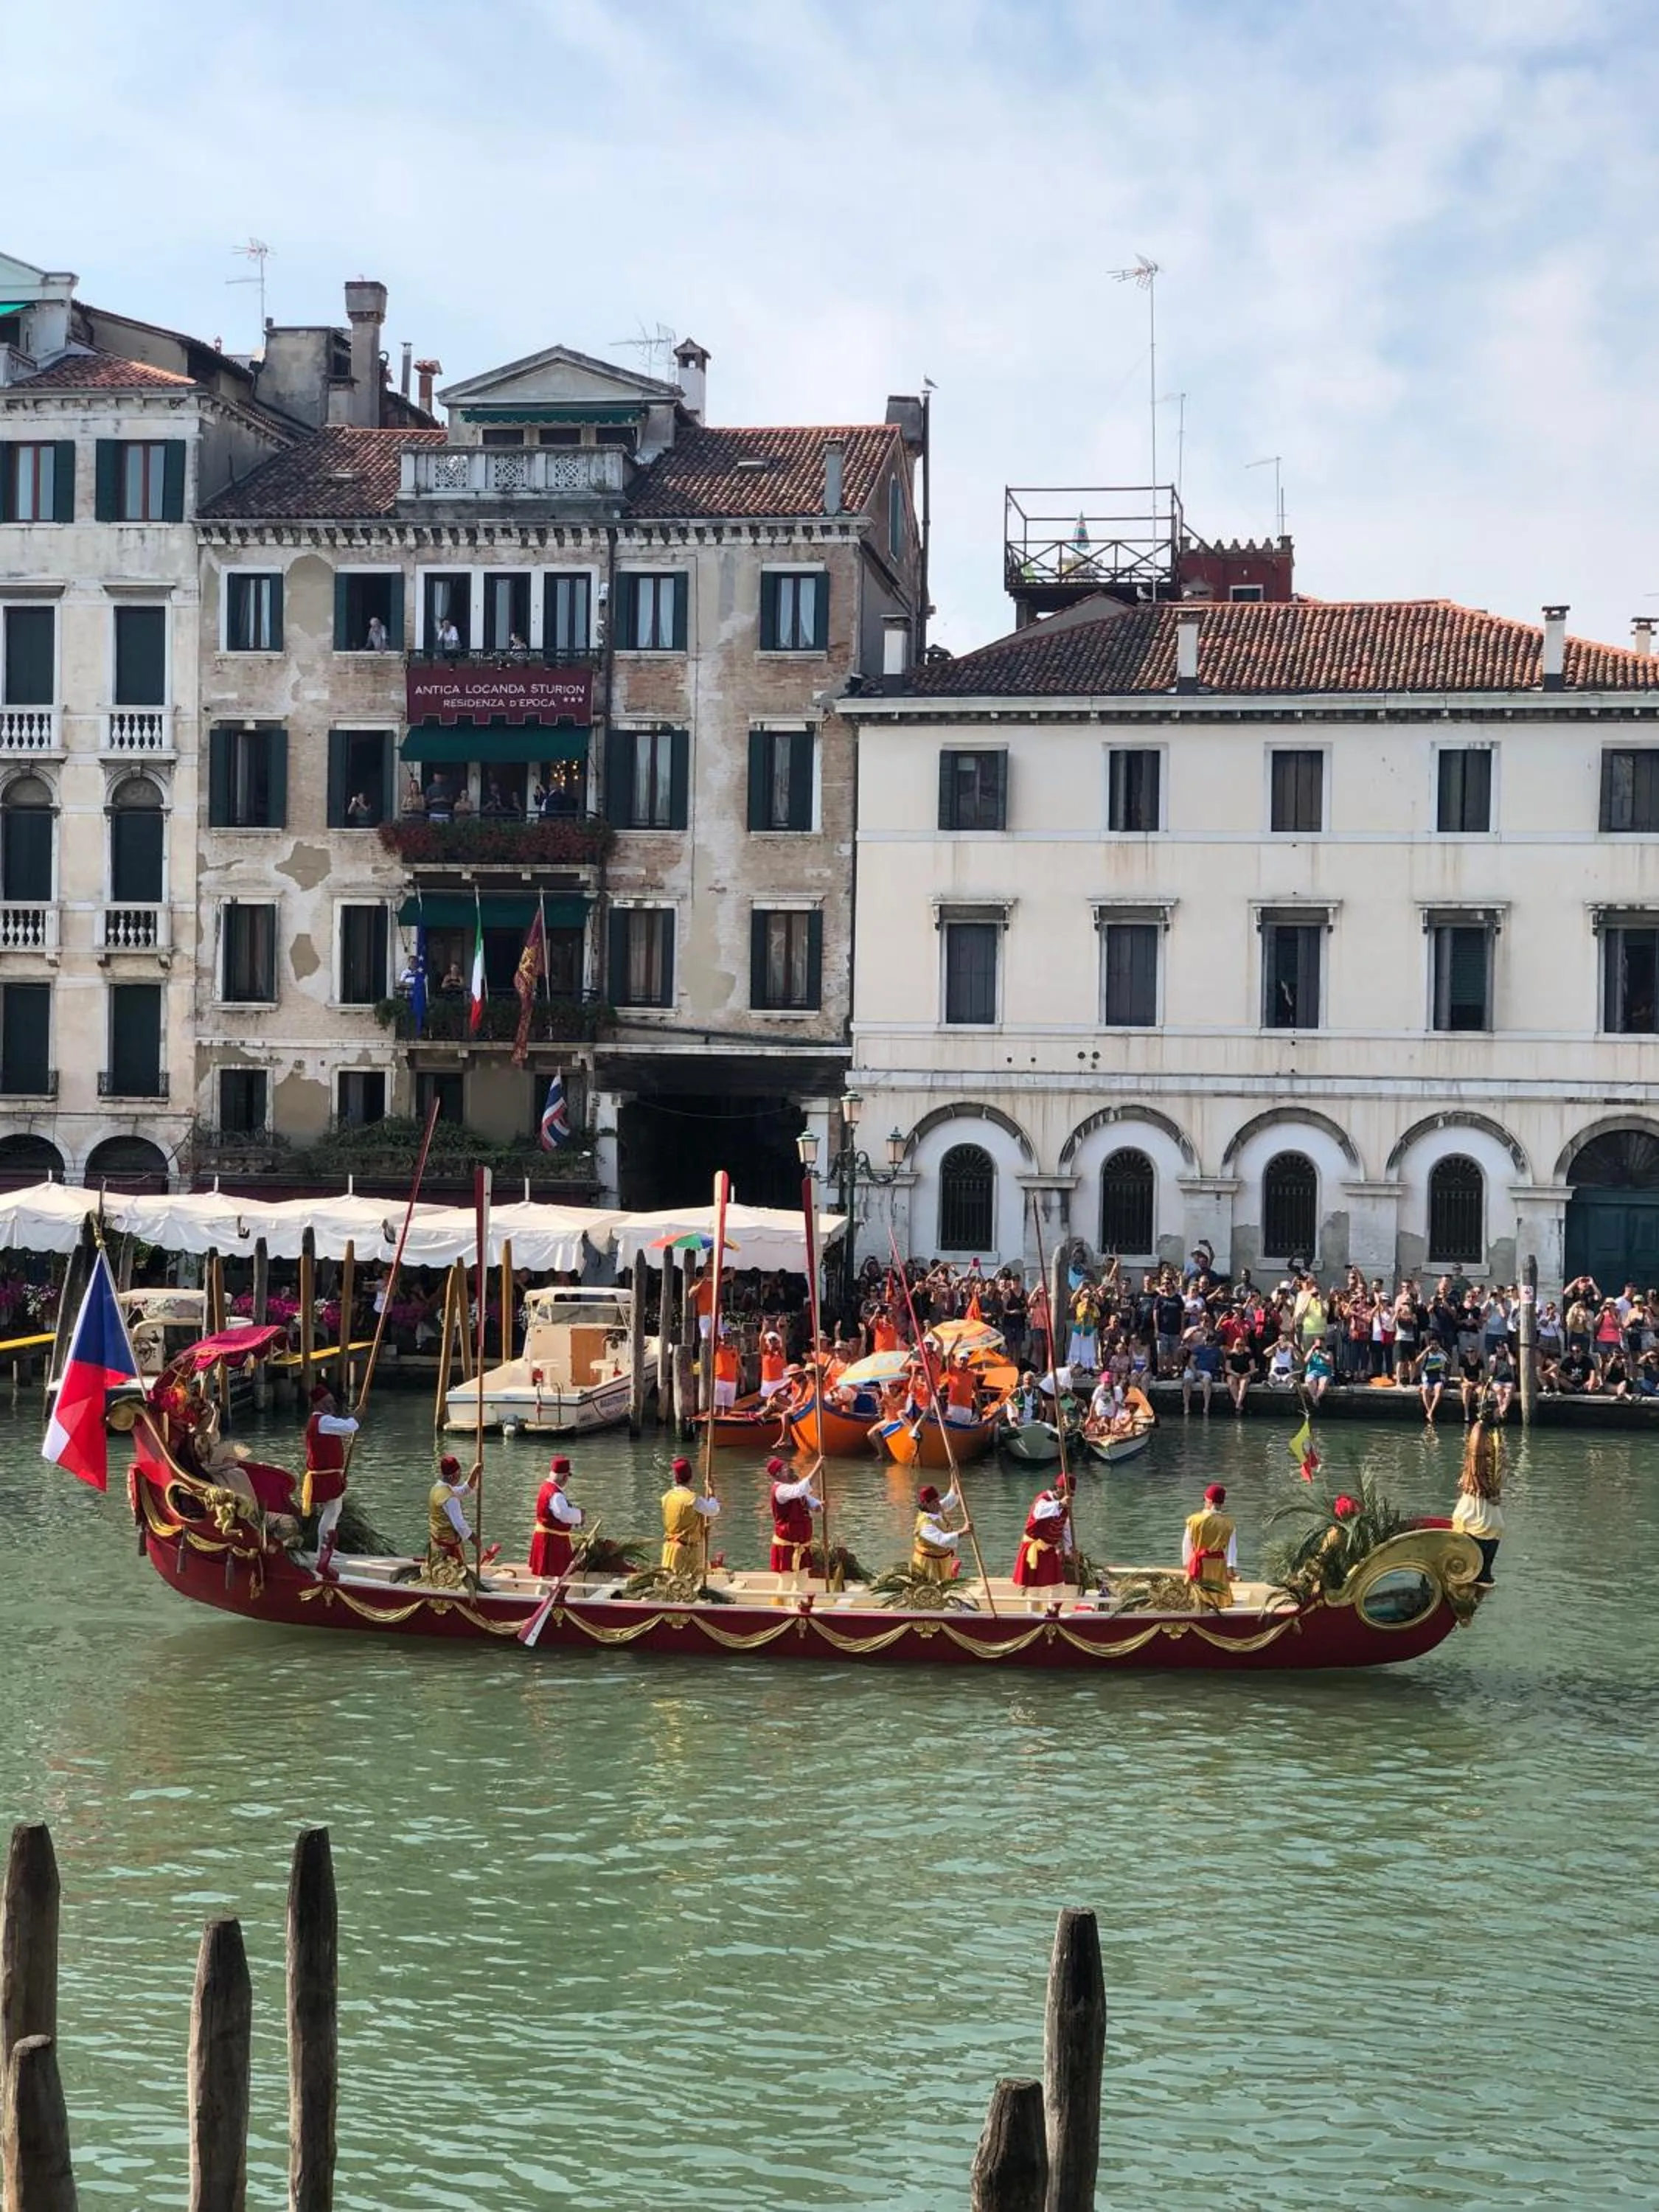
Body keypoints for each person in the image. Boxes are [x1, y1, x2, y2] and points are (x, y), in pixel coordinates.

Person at [302, 1383, 358, 1582]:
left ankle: (329, 1547)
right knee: (331, 1509)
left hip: (329, 1472)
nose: (331, 1405)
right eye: (327, 1403)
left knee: (336, 1508)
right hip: (324, 1474)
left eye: (332, 1402)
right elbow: (349, 1428)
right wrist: (357, 1416)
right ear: (318, 1404)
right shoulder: (322, 1421)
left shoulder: (322, 1421)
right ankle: (322, 1549)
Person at [1453, 1416, 1504, 1587]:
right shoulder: (1481, 1432)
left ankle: (1481, 1573)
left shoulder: (1491, 1432)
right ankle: (1477, 1575)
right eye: (1497, 1408)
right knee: (1490, 1526)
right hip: (1480, 1501)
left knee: (1494, 1527)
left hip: (1486, 1499)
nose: (1501, 1411)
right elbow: (1477, 1464)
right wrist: (1489, 1492)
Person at [1012, 1474, 1073, 1611]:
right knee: (1035, 1588)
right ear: (1059, 1489)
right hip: (1034, 1547)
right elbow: (1039, 1512)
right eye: (1068, 1492)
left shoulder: (1065, 1507)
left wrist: (1070, 1550)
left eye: (1072, 1494)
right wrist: (1060, 1504)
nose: (1071, 1497)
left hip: (1049, 1549)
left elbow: (1065, 1528)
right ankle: (1032, 1617)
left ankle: (1053, 1612)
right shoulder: (1043, 1499)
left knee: (1058, 1584)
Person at [767, 1455, 821, 1595]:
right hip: (787, 1544)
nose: (790, 1470)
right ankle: (779, 1610)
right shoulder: (780, 1490)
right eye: (785, 1469)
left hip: (802, 1543)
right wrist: (817, 1467)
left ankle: (797, 1605)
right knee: (787, 1580)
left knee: (803, 1578)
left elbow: (808, 1500)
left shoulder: (792, 1489)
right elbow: (799, 1491)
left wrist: (818, 1506)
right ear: (778, 1474)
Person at [425, 1453, 479, 1588]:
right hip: (447, 1548)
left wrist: (475, 1472)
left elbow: (464, 1490)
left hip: (436, 1544)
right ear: (453, 1476)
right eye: (459, 1474)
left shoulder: (437, 1488)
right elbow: (460, 1525)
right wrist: (474, 1539)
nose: (460, 1476)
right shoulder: (450, 1498)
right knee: (451, 1580)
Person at [1182, 1482, 1237, 1610]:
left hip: (1199, 1564)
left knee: (1196, 1596)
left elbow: (1187, 1545)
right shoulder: (1229, 1524)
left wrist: (1187, 1565)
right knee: (1220, 1595)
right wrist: (1231, 1569)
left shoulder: (1194, 1520)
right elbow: (1232, 1550)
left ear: (1209, 1501)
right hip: (1218, 1565)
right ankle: (1220, 1600)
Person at [661, 1455, 719, 1576]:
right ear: (690, 1477)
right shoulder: (693, 1499)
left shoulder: (666, 1497)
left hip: (669, 1549)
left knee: (670, 1582)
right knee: (688, 1586)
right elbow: (713, 1511)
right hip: (686, 1551)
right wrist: (712, 1494)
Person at [528, 1455, 584, 1579]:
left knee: (546, 1574)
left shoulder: (546, 1487)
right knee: (555, 1573)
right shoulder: (555, 1494)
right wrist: (580, 1515)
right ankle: (552, 1596)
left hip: (545, 1536)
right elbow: (563, 1514)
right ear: (564, 1477)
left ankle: (544, 1595)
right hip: (552, 1539)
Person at [911, 1483, 964, 1584]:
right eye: (935, 1502)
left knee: (945, 1585)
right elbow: (943, 1540)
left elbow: (950, 1501)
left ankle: (951, 1572)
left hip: (942, 1559)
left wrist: (954, 1483)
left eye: (938, 1500)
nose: (939, 1504)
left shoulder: (936, 1509)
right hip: (929, 1563)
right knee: (932, 1591)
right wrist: (964, 1531)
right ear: (927, 1504)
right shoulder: (925, 1524)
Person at [1419, 1338, 1447, 1425]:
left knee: (1439, 1389)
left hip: (1438, 1378)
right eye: (1432, 1344)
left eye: (1436, 1344)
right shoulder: (1427, 1354)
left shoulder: (1441, 1354)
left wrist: (1443, 1352)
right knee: (1425, 1390)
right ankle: (1430, 1412)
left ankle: (1430, 1412)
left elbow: (1450, 1361)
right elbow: (1417, 1361)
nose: (1434, 1346)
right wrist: (1425, 1351)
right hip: (1427, 1378)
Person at [712, 1332, 740, 1413]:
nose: (726, 1337)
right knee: (718, 1407)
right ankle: (717, 1423)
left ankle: (726, 1422)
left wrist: (742, 1382)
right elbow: (714, 1338)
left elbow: (739, 1365)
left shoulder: (735, 1349)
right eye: (725, 1335)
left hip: (732, 1382)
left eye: (728, 1335)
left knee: (728, 1408)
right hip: (720, 1381)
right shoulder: (718, 1347)